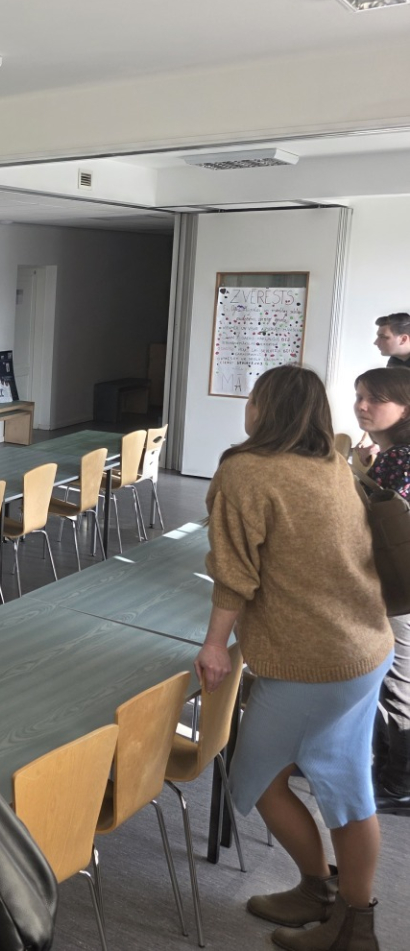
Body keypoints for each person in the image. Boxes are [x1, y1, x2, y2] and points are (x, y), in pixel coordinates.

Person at [195, 366, 394, 951]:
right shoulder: (332, 461)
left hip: (312, 661)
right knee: (348, 788)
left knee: (256, 778)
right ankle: (340, 909)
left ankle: (333, 907)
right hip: (365, 648)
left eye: (253, 398)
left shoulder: (246, 470)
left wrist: (214, 644)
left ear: (264, 409)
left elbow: (234, 572)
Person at [352, 367, 410, 814]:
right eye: (359, 396)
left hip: (398, 585)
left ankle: (400, 781)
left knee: (398, 681)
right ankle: (389, 768)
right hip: (393, 581)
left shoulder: (401, 459)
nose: (362, 406)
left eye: (375, 399)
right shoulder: (390, 455)